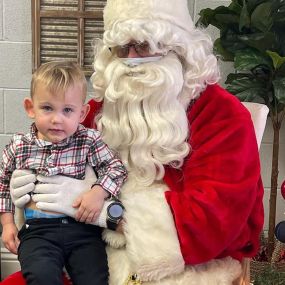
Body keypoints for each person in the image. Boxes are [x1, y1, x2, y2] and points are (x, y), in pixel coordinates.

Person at [4, 0, 264, 284]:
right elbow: (52, 150)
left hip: (188, 265)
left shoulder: (222, 115)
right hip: (92, 250)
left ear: (179, 50)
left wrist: (107, 212)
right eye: (120, 48)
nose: (130, 60)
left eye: (143, 45)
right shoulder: (104, 109)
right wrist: (31, 190)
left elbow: (210, 225)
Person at [0, 61, 127, 285]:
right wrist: (8, 224)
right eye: (47, 108)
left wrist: (98, 192)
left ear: (82, 112)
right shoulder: (20, 145)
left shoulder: (88, 140)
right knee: (41, 275)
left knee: (94, 279)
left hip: (83, 229)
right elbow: (2, 182)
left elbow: (116, 168)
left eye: (67, 110)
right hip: (38, 230)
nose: (57, 119)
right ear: (31, 108)